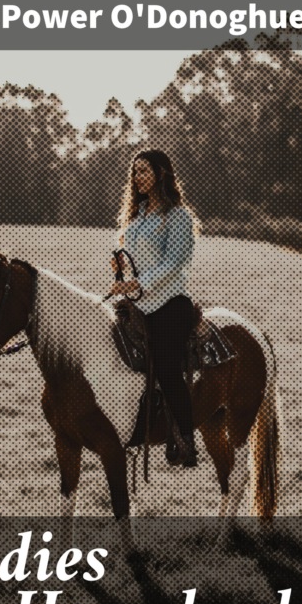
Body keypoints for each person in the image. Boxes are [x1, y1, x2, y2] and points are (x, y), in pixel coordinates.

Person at [109, 149, 199, 467]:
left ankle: (185, 439)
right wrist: (121, 262)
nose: (138, 178)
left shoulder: (178, 216)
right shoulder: (140, 213)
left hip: (169, 302)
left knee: (165, 367)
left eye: (144, 171)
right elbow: (135, 257)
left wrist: (136, 284)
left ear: (162, 173)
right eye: (135, 172)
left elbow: (174, 264)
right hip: (140, 302)